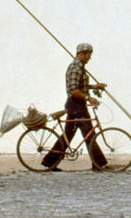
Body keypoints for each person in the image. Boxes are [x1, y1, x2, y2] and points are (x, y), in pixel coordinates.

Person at [41, 42, 109, 171]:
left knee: (70, 135)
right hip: (76, 107)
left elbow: (80, 86)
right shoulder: (75, 68)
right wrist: (89, 98)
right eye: (89, 55)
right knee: (89, 134)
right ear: (82, 54)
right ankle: (99, 164)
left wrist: (95, 86)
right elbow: (73, 90)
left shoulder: (80, 68)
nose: (90, 58)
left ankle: (49, 162)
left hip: (78, 106)